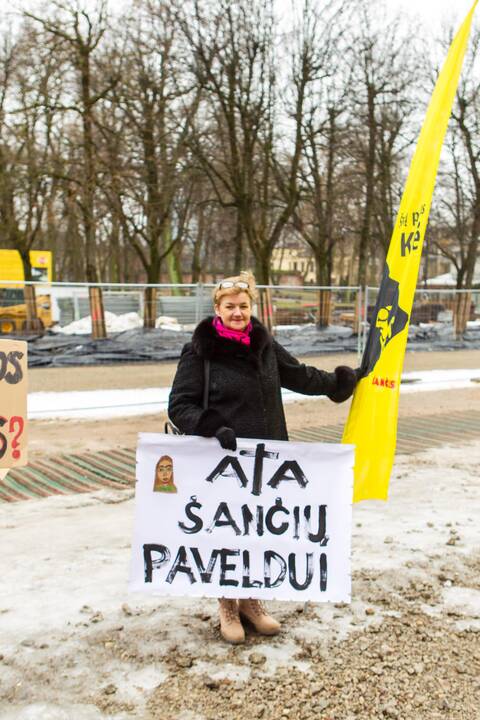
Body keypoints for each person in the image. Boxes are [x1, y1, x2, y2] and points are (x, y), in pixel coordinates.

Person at [168, 271, 358, 644]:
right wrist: (210, 424)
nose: (237, 313)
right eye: (230, 307)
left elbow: (299, 376)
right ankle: (227, 605)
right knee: (227, 533)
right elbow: (179, 404)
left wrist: (341, 382)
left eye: (243, 306)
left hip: (269, 461)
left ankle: (251, 603)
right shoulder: (199, 350)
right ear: (217, 309)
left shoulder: (263, 345)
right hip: (223, 462)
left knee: (257, 531)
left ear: (252, 307)